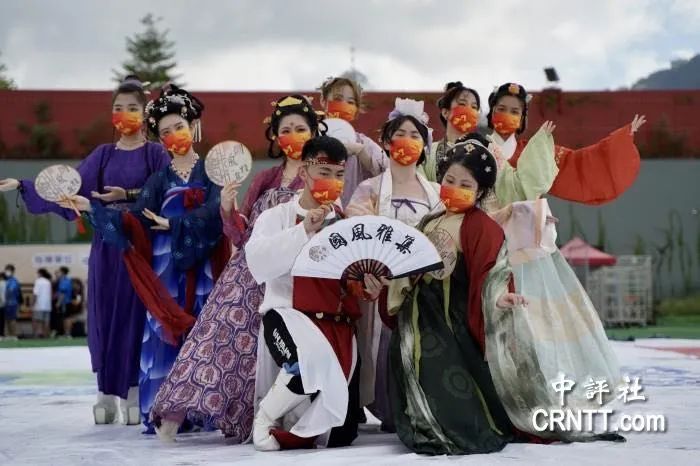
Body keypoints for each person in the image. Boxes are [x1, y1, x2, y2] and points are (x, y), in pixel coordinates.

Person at [150, 94, 326, 443]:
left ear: (313, 131)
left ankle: (267, 416)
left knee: (268, 353)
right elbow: (240, 232)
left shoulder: (321, 178)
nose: (293, 135)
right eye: (285, 129)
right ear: (275, 137)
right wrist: (228, 209)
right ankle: (175, 412)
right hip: (247, 276)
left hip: (294, 276)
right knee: (217, 341)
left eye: (300, 129)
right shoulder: (265, 178)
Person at [0, 76, 171, 424]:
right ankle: (105, 393)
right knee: (104, 316)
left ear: (145, 113)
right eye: (118, 109)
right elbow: (68, 191)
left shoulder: (156, 153)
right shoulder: (103, 155)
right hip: (106, 248)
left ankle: (136, 392)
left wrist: (128, 198)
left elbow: (163, 194)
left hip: (141, 247)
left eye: (132, 108)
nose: (124, 115)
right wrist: (25, 186)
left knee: (137, 317)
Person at [64, 84, 229, 433]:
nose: (173, 137)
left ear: (194, 127)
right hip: (166, 271)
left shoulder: (214, 172)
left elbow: (216, 215)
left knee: (204, 333)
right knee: (163, 336)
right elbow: (134, 219)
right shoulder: (158, 179)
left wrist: (176, 223)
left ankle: (205, 409)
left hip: (204, 272)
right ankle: (167, 410)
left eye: (179, 128)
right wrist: (92, 209)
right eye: (165, 132)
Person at [386, 140, 530, 455]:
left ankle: (444, 427)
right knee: (410, 364)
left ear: (480, 191)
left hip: (453, 319)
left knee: (445, 378)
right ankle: (419, 420)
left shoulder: (482, 227)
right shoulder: (427, 222)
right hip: (418, 312)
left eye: (465, 184)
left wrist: (498, 299)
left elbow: (493, 273)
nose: (454, 188)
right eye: (449, 181)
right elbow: (407, 265)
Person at [246, 135, 387, 451]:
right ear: (304, 171)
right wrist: (303, 230)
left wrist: (368, 287)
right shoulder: (277, 216)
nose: (332, 181)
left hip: (336, 323)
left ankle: (299, 431)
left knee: (341, 433)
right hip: (288, 314)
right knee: (302, 363)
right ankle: (265, 419)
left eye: (339, 175)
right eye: (324, 172)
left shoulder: (348, 224)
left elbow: (352, 278)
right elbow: (258, 263)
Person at [345, 98, 443, 430]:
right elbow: (357, 229)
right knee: (383, 350)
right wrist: (368, 272)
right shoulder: (370, 188)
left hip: (423, 289)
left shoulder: (437, 193)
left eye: (415, 135)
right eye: (399, 133)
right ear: (386, 142)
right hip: (380, 289)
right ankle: (390, 412)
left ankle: (419, 409)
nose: (406, 141)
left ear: (425, 146)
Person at [318, 77, 386, 206]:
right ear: (323, 100)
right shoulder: (309, 137)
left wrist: (361, 152)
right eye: (338, 99)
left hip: (352, 217)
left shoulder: (362, 142)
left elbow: (388, 173)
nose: (344, 105)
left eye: (350, 102)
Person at [421, 81, 482, 182]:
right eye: (462, 104)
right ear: (445, 112)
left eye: (474, 107)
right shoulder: (428, 153)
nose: (469, 110)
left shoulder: (488, 148)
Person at [32, 269, 53, 338]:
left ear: (40, 274)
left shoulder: (38, 281)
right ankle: (46, 335)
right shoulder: (48, 282)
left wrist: (32, 303)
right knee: (46, 321)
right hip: (47, 305)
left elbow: (35, 294)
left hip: (39, 304)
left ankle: (36, 335)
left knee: (36, 320)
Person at [3, 265, 21, 340]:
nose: (7, 272)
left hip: (12, 303)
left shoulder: (14, 281)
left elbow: (11, 291)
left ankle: (14, 335)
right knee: (5, 320)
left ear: (12, 271)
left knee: (12, 320)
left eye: (8, 270)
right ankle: (7, 335)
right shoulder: (5, 280)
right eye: (6, 270)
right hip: (4, 303)